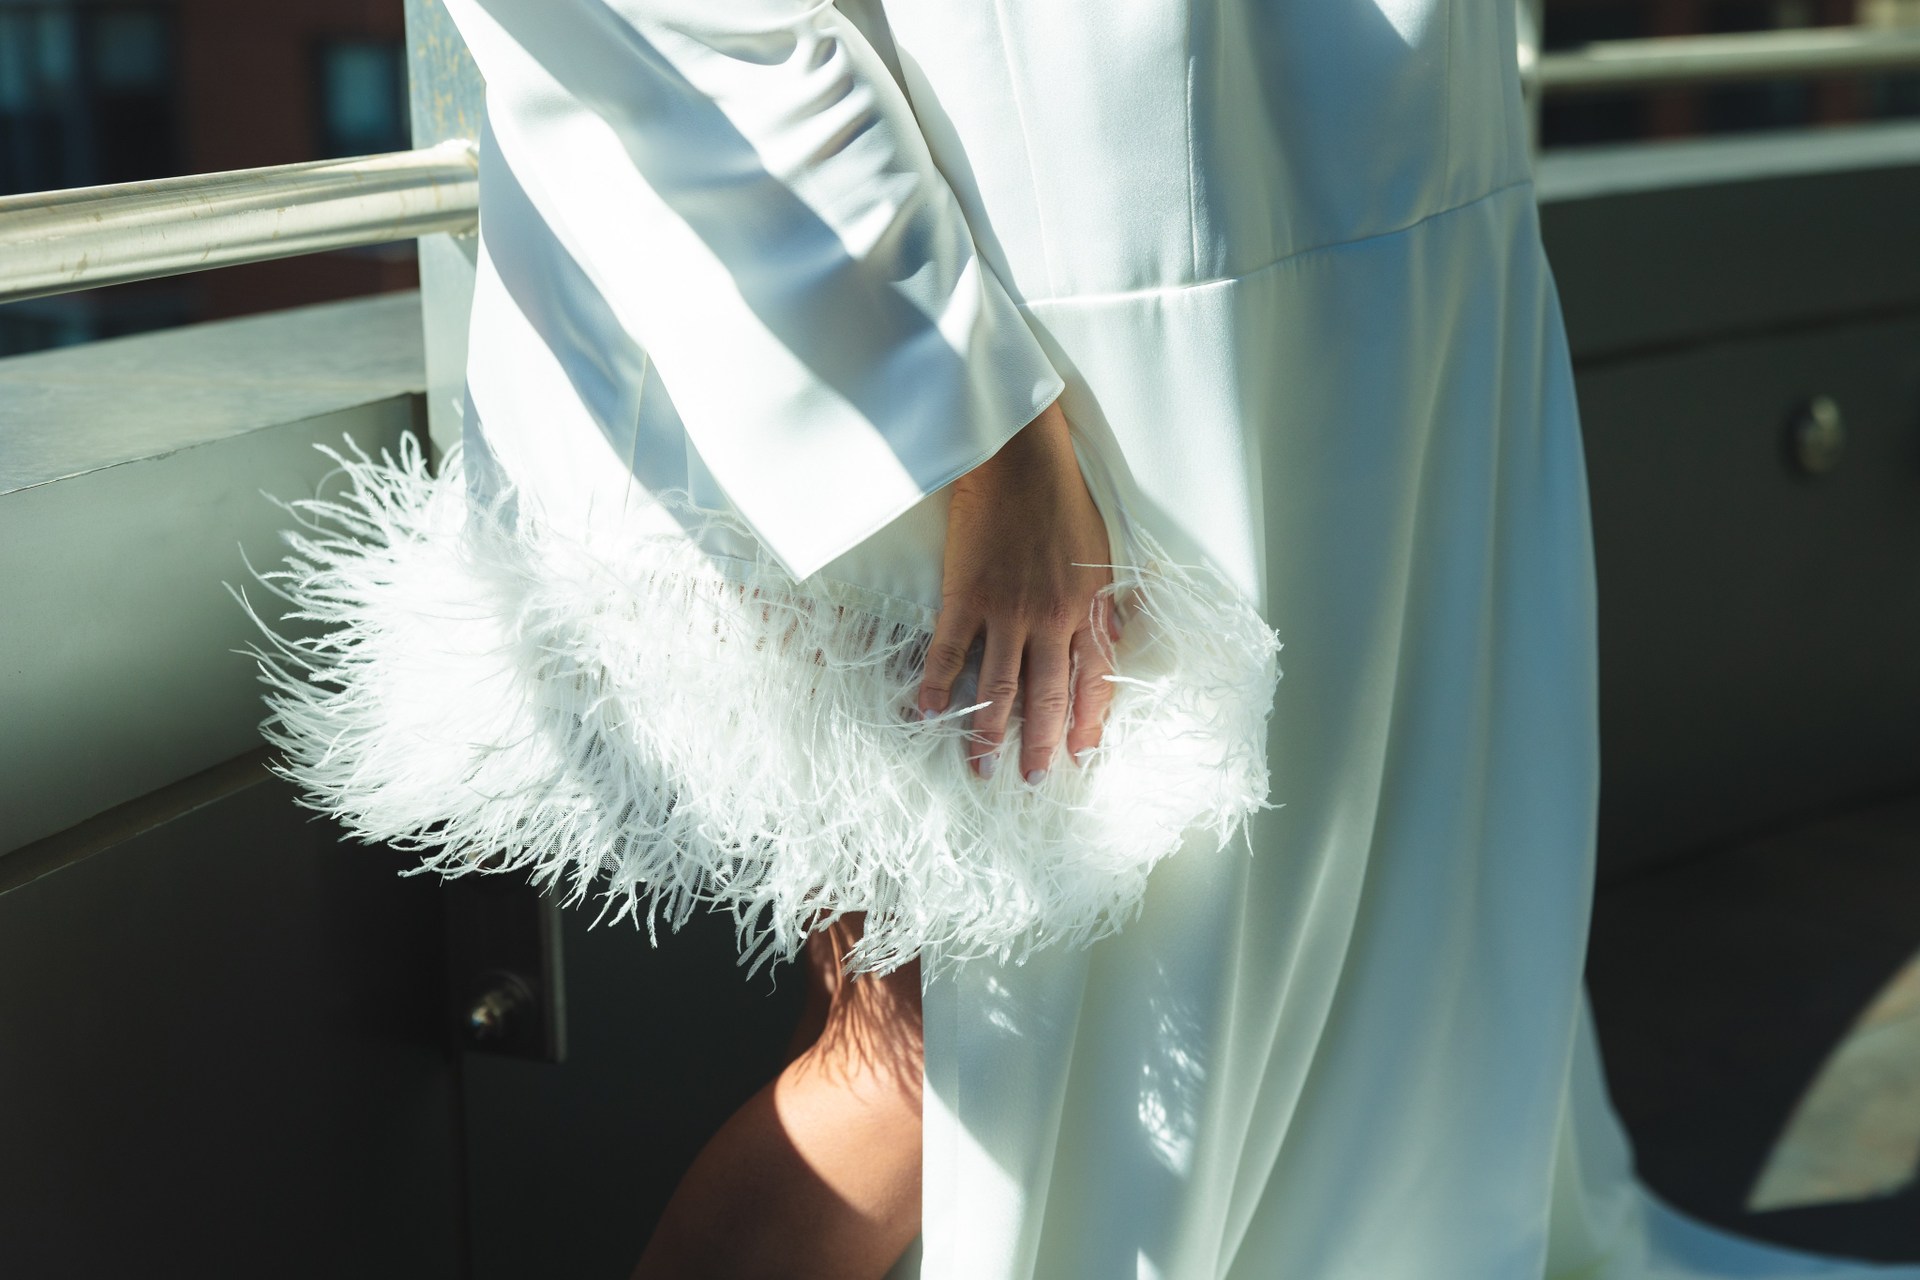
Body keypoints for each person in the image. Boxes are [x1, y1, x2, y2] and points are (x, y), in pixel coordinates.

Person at [244, 1, 1920, 1277]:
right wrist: (970, 423)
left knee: (1365, 977)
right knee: (938, 1076)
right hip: (1026, 352)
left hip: (1374, 267)